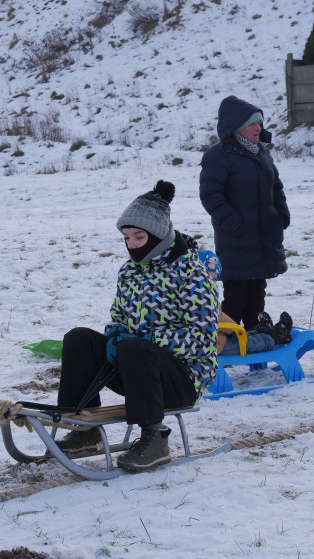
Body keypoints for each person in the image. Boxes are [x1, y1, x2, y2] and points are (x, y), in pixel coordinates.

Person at [55, 180, 220, 472]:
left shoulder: (191, 274)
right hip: (136, 369)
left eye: (139, 237)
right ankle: (83, 429)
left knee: (134, 346)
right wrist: (114, 334)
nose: (131, 245)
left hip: (182, 378)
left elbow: (202, 338)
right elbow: (118, 316)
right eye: (126, 238)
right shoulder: (130, 271)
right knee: (78, 339)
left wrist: (142, 341)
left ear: (159, 236)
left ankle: (155, 437)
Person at [199, 95, 291, 332]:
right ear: (237, 126)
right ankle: (225, 341)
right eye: (253, 124)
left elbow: (276, 186)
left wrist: (281, 214)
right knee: (236, 297)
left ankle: (255, 340)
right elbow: (211, 196)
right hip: (236, 240)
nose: (258, 128)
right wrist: (235, 225)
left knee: (257, 294)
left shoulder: (262, 152)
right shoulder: (218, 156)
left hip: (263, 237)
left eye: (260, 123)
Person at [217, 310, 294, 355]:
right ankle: (275, 337)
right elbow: (216, 316)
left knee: (240, 337)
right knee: (247, 343)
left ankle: (261, 332)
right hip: (217, 344)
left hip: (214, 340)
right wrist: (235, 330)